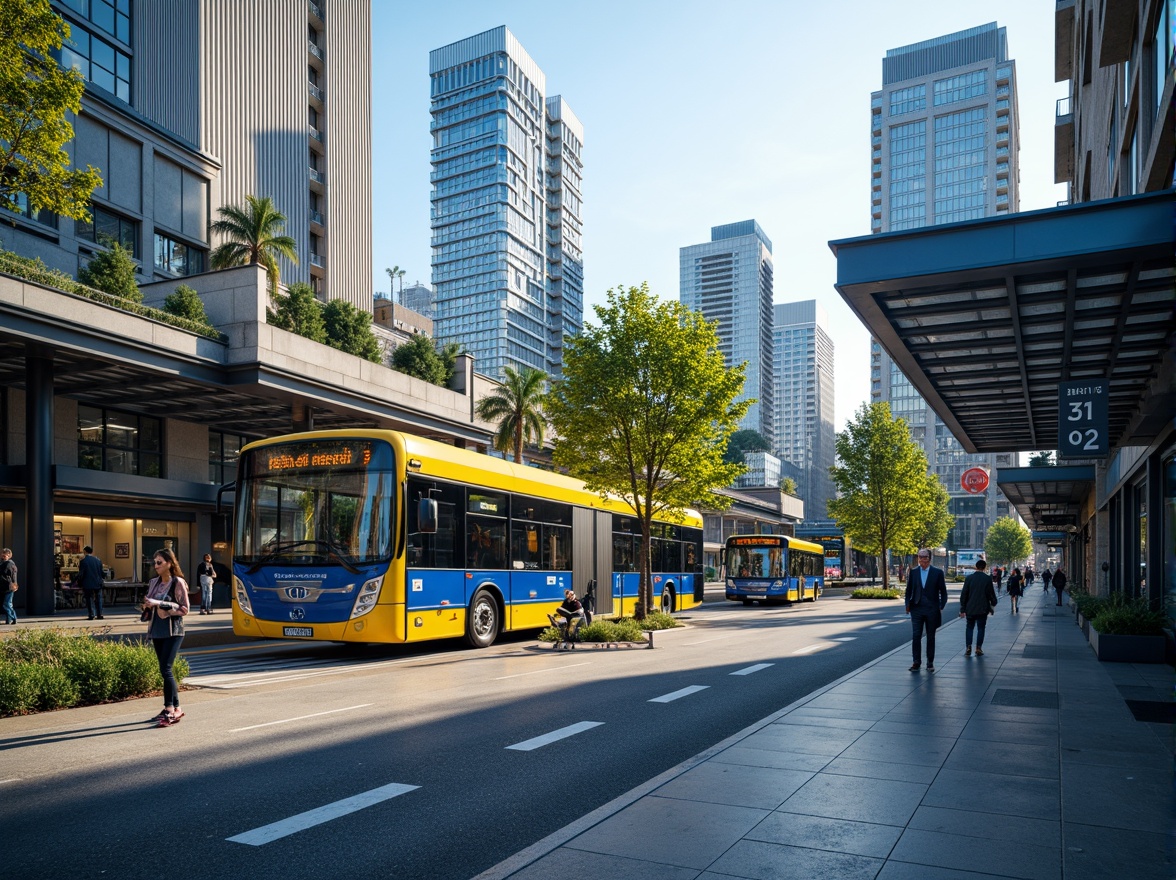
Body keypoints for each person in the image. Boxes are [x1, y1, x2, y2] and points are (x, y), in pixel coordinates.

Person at [142, 548, 190, 727]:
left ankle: (171, 709)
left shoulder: (178, 582)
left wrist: (160, 603)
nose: (155, 565)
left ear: (169, 563)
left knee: (167, 669)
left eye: (159, 562)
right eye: (154, 562)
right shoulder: (153, 582)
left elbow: (185, 609)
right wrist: (147, 605)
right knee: (164, 669)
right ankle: (173, 708)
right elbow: (151, 604)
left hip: (173, 630)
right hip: (156, 630)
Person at [904, 548, 949, 672]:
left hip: (932, 609)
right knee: (916, 636)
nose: (922, 559)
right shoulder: (913, 572)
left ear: (930, 558)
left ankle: (930, 663)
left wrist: (941, 606)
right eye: (920, 557)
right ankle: (916, 662)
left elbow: (943, 592)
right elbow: (908, 591)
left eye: (925, 557)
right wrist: (907, 604)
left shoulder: (937, 573)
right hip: (916, 609)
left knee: (930, 637)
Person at [958, 558, 997, 656]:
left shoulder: (969, 578)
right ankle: (978, 648)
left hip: (970, 608)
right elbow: (990, 593)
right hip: (983, 608)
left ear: (976, 567)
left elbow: (964, 594)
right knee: (981, 628)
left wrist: (963, 608)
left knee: (969, 627)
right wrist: (993, 602)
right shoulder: (987, 578)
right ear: (984, 568)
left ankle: (968, 647)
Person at [76, 545, 105, 620]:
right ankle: (99, 614)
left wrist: (79, 582)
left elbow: (81, 573)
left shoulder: (83, 561)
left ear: (85, 551)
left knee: (89, 599)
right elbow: (102, 573)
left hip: (87, 583)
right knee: (98, 598)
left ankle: (91, 614)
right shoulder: (98, 560)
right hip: (97, 582)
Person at [0, 548, 17, 625]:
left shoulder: (9, 564)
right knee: (7, 604)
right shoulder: (4, 563)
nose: (2, 556)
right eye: (2, 554)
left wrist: (14, 585)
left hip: (8, 587)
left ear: (9, 556)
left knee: (7, 604)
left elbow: (13, 576)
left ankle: (13, 617)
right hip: (5, 587)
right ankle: (9, 619)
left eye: (4, 555)